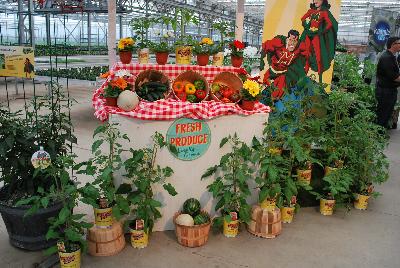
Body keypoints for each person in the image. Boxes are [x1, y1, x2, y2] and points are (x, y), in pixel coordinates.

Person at [261, 29, 310, 99]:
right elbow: (266, 45)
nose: (292, 43)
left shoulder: (300, 46)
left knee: (279, 91)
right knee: (265, 87)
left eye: (295, 41)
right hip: (272, 71)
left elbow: (307, 56)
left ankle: (274, 101)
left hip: (283, 73)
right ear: (287, 39)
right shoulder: (278, 42)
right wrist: (262, 62)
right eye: (290, 40)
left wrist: (305, 70)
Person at [300, 0, 338, 82]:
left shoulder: (324, 13)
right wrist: (306, 27)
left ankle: (320, 80)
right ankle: (302, 79)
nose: (316, 0)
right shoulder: (311, 11)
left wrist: (321, 32)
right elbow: (302, 18)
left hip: (316, 37)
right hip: (308, 36)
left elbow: (330, 24)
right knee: (306, 55)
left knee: (318, 56)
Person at [375, 37, 400, 129]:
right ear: (393, 44)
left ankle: (380, 132)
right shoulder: (387, 58)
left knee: (387, 112)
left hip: (389, 90)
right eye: (399, 43)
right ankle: (378, 133)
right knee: (383, 113)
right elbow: (395, 77)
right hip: (385, 91)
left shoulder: (391, 56)